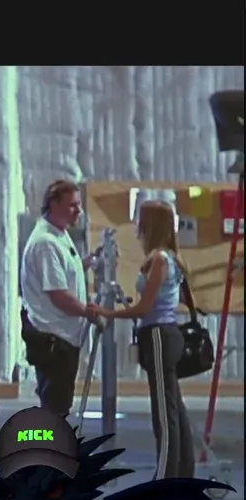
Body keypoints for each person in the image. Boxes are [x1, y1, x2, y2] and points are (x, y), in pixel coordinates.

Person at [96, 201, 195, 479]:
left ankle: (165, 477)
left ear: (151, 224)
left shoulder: (161, 260)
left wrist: (108, 312)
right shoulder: (165, 258)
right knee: (174, 408)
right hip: (161, 334)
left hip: (160, 336)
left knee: (164, 413)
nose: (137, 226)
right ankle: (182, 473)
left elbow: (144, 308)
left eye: (141, 220)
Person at [20, 180, 100, 419]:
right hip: (54, 338)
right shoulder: (46, 242)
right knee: (56, 409)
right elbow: (58, 294)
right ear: (54, 205)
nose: (78, 211)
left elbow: (63, 274)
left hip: (62, 336)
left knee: (58, 405)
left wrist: (85, 264)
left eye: (79, 205)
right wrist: (89, 312)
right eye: (72, 205)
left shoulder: (59, 234)